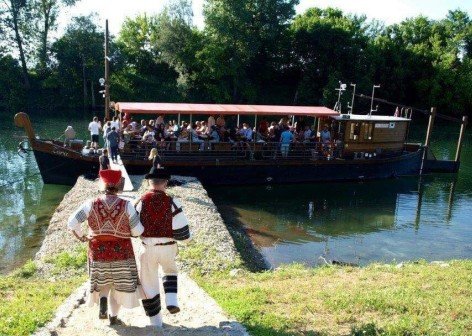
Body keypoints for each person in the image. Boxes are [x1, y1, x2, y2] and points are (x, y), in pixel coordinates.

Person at [67, 170, 144, 325]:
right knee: (118, 285)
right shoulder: (127, 205)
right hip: (122, 252)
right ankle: (113, 317)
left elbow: (72, 223)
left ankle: (102, 301)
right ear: (119, 185)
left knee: (103, 280)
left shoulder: (90, 204)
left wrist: (82, 236)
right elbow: (138, 231)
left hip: (97, 251)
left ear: (102, 184)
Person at [135, 167, 191, 328]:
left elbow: (134, 228)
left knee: (149, 283)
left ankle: (156, 322)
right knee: (170, 271)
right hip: (168, 246)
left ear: (148, 182)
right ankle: (172, 300)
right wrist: (186, 241)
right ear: (166, 183)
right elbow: (182, 230)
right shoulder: (172, 201)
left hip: (148, 248)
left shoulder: (140, 201)